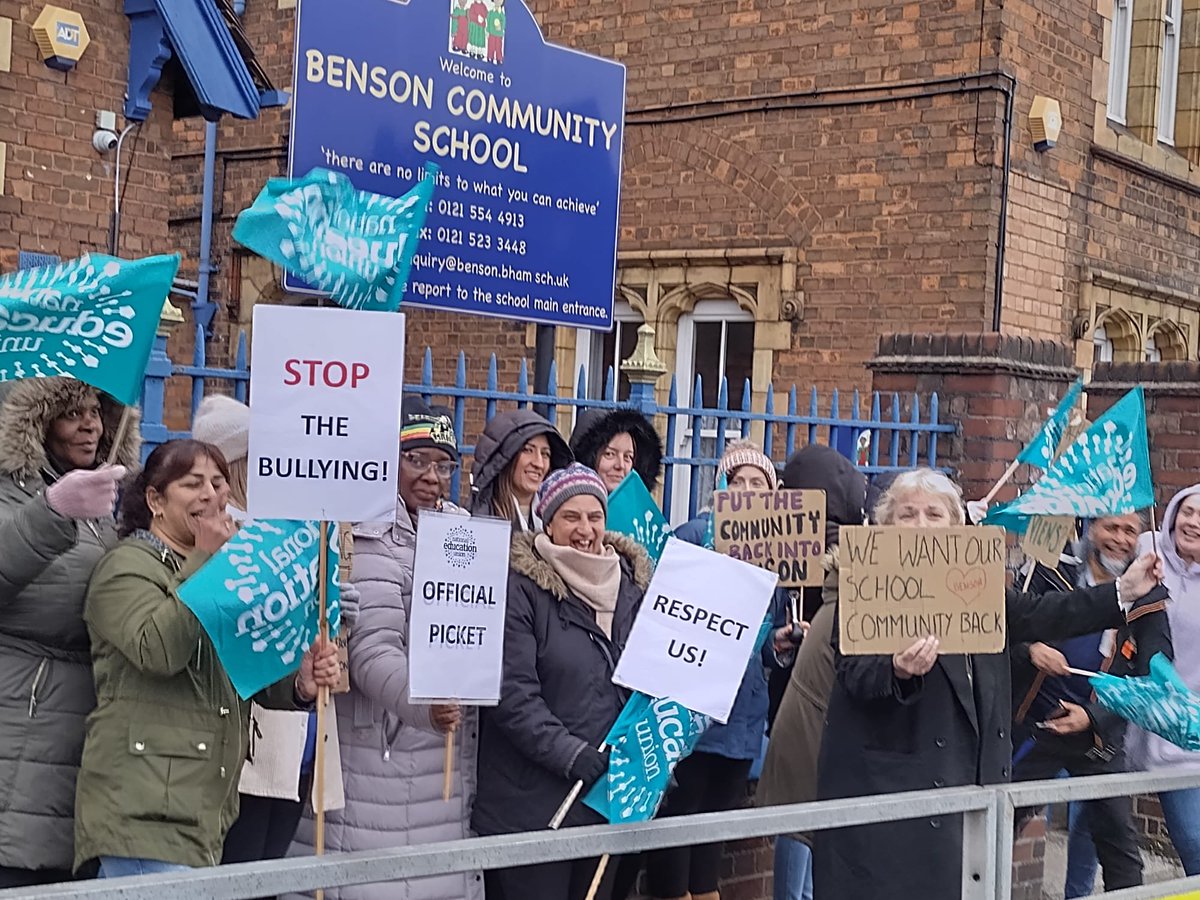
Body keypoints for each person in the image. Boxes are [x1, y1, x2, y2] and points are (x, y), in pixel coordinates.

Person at [811, 468, 1165, 900]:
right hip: (894, 799)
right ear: (887, 526)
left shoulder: (978, 586)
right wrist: (897, 670)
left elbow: (1045, 613)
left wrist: (1122, 592)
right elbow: (854, 672)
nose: (922, 524)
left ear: (957, 525)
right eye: (908, 514)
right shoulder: (864, 583)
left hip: (969, 791)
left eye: (934, 514)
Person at [73, 439, 341, 878]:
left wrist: (300, 684)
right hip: (144, 814)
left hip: (202, 811)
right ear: (155, 500)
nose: (211, 496)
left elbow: (242, 665)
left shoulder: (221, 570)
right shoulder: (126, 567)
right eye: (193, 484)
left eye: (218, 483)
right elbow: (158, 651)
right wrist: (206, 561)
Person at [287, 401, 481, 900]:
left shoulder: (463, 532)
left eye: (443, 464)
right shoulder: (365, 534)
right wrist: (429, 706)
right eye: (417, 461)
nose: (432, 476)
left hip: (445, 761)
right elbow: (371, 653)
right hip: (380, 754)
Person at [190, 395, 356, 881]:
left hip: (299, 734)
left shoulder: (297, 532)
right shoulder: (224, 542)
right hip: (249, 744)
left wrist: (335, 610)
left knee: (269, 872)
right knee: (241, 872)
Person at [473, 464, 652, 900]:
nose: (585, 529)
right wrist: (572, 755)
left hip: (607, 801)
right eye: (571, 517)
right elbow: (512, 695)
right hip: (533, 808)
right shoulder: (519, 588)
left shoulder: (634, 588)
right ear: (548, 521)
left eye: (594, 517)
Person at [640, 441, 798, 900]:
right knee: (680, 817)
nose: (747, 491)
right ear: (721, 489)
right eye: (738, 482)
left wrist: (779, 645)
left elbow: (767, 640)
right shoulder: (691, 538)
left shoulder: (774, 553)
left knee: (716, 824)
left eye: (758, 484)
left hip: (744, 712)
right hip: (692, 710)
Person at [0, 379, 138, 887]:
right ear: (36, 422)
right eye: (71, 412)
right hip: (23, 714)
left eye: (96, 412)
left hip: (88, 721)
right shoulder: (11, 491)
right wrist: (50, 512)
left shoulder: (106, 503)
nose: (90, 425)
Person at [1011, 511, 1163, 897]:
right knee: (993, 825)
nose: (1120, 538)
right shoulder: (1047, 574)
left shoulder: (1151, 596)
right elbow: (1000, 631)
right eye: (1111, 527)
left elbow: (1152, 678)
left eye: (1130, 531)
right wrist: (1030, 648)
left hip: (1097, 737)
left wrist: (1093, 716)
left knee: (1119, 848)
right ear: (1090, 529)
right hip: (1032, 725)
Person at [755, 445, 869, 900]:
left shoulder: (827, 549)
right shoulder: (851, 546)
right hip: (815, 700)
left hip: (805, 699)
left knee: (800, 813)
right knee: (805, 817)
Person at [1126, 484, 1200, 875]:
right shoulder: (1145, 550)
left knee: (1194, 842)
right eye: (1187, 511)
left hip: (1182, 735)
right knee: (1092, 829)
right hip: (1125, 720)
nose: (1193, 522)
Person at [470, 409, 571, 531]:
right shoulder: (479, 518)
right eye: (528, 450)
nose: (538, 463)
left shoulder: (559, 517)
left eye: (545, 454)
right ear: (506, 458)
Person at [569, 407, 663, 494]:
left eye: (628, 457)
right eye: (609, 454)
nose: (620, 465)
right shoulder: (564, 507)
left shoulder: (640, 511)